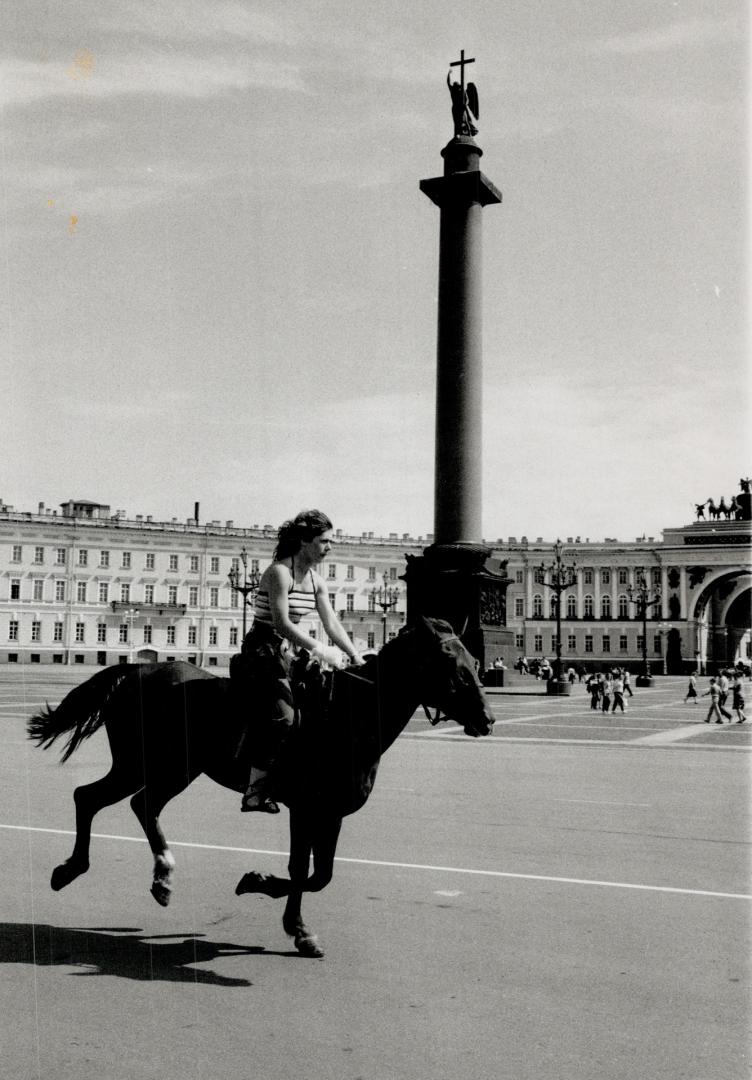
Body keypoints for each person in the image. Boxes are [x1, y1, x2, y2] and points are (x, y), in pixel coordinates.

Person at [236, 510, 364, 813]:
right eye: (324, 541)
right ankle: (254, 791)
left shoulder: (317, 581)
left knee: (322, 706)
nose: (329, 547)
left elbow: (332, 623)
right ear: (304, 541)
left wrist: (356, 656)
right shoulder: (280, 572)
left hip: (289, 653)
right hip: (261, 651)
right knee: (285, 718)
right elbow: (280, 623)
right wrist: (320, 648)